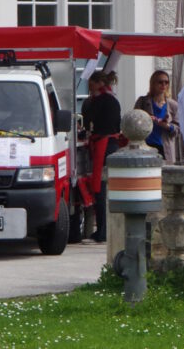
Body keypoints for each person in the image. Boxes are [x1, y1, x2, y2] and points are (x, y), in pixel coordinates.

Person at [79, 70, 121, 243]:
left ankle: (103, 229)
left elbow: (89, 121)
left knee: (101, 187)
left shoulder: (98, 101)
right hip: (112, 144)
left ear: (98, 84)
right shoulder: (113, 99)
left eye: (90, 85)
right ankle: (104, 228)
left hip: (103, 145)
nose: (89, 89)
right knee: (107, 188)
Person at [134, 70, 179, 163]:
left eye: (166, 82)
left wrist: (166, 126)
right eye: (160, 82)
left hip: (165, 148)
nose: (163, 85)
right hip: (146, 145)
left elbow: (178, 129)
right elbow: (133, 121)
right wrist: (145, 119)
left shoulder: (173, 105)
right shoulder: (142, 101)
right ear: (153, 83)